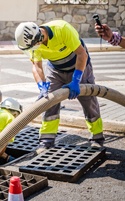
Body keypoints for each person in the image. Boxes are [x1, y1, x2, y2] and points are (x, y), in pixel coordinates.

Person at [15, 20, 104, 153]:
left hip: (79, 66)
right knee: (49, 102)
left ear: (38, 37)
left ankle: (97, 138)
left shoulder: (62, 30)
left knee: (88, 101)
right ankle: (46, 141)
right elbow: (36, 65)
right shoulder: (32, 43)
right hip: (55, 69)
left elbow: (82, 54)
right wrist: (41, 85)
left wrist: (76, 81)